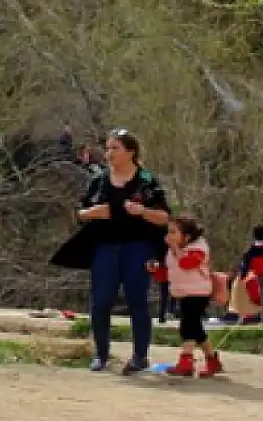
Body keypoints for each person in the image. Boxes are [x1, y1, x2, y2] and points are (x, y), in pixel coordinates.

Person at [76, 129, 171, 375]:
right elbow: (80, 212)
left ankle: (140, 356)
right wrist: (93, 213)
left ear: (131, 152)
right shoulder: (98, 180)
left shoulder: (146, 181)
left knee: (137, 301)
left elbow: (164, 217)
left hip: (138, 247)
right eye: (108, 148)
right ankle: (101, 354)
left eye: (115, 148)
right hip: (105, 247)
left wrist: (143, 212)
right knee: (101, 301)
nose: (109, 153)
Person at [150, 216, 223, 378]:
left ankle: (186, 361)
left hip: (199, 292)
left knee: (188, 325)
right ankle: (212, 360)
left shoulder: (199, 248)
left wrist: (176, 248)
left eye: (173, 232)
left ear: (187, 237)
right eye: (168, 232)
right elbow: (168, 274)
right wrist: (155, 270)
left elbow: (187, 264)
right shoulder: (171, 252)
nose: (168, 236)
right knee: (196, 329)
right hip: (183, 293)